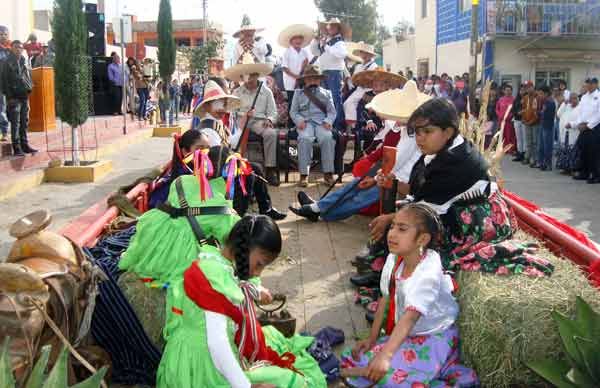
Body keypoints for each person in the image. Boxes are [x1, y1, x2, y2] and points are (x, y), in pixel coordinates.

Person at [362, 98, 554, 276]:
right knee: (397, 227)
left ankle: (397, 281)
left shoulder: (456, 161)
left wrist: (391, 218)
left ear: (448, 131)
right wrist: (392, 186)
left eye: (427, 132)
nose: (420, 138)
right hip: (449, 209)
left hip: (474, 220)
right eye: (418, 132)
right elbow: (422, 192)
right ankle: (385, 275)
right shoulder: (438, 150)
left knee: (410, 233)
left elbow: (427, 209)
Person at [157, 215, 327, 388]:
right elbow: (217, 344)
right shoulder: (215, 279)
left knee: (272, 344)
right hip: (200, 367)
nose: (259, 273)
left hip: (197, 354)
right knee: (293, 382)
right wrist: (246, 386)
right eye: (260, 264)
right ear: (244, 248)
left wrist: (255, 290)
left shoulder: (218, 260)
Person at [340, 204, 478, 387]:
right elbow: (385, 298)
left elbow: (411, 317)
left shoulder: (428, 272)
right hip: (409, 333)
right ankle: (435, 368)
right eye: (393, 226)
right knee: (355, 357)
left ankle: (444, 365)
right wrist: (372, 339)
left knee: (387, 378)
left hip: (434, 335)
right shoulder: (395, 258)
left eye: (402, 229)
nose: (392, 233)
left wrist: (386, 355)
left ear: (422, 239)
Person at [290, 81, 428, 223]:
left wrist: (374, 179)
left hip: (400, 183)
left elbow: (396, 163)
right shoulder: (403, 129)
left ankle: (321, 213)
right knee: (354, 184)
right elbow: (385, 152)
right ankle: (317, 207)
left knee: (360, 197)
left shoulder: (414, 135)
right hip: (387, 174)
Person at [193, 80, 287, 220]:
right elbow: (217, 157)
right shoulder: (208, 129)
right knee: (248, 173)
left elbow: (231, 142)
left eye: (224, 105)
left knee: (255, 168)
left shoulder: (217, 123)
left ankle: (265, 208)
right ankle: (239, 213)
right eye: (218, 105)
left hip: (224, 166)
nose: (223, 109)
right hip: (216, 176)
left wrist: (243, 123)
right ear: (207, 107)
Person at [228, 57, 279, 185]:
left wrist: (269, 119)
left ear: (256, 75)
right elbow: (232, 112)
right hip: (241, 121)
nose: (249, 79)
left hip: (259, 122)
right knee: (234, 135)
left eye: (251, 76)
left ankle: (270, 168)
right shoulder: (236, 92)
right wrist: (243, 117)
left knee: (271, 134)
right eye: (246, 76)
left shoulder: (266, 92)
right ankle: (236, 167)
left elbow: (273, 112)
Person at [289, 64, 337, 187]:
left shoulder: (327, 93)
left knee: (327, 138)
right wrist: (299, 120)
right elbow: (293, 112)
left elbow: (332, 111)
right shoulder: (298, 93)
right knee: (304, 139)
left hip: (322, 123)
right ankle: (304, 175)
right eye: (310, 79)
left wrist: (328, 121)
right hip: (305, 123)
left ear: (320, 80)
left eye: (315, 78)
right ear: (305, 80)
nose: (312, 81)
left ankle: (328, 173)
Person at [0, 40, 37, 156]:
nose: (19, 49)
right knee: (15, 123)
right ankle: (16, 148)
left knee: (24, 122)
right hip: (14, 97)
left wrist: (29, 87)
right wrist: (9, 97)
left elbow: (26, 76)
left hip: (24, 95)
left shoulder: (22, 60)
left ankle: (25, 145)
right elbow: (3, 81)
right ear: (11, 48)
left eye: (21, 48)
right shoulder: (6, 62)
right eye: (16, 47)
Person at [311, 18, 348, 131]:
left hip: (334, 72)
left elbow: (341, 54)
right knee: (326, 98)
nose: (330, 28)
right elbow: (315, 52)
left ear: (338, 28)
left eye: (333, 26)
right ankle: (329, 122)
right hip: (325, 72)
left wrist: (326, 46)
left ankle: (338, 125)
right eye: (329, 26)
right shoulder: (327, 41)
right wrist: (316, 41)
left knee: (335, 98)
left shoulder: (339, 42)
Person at [279, 24, 312, 129]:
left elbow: (308, 66)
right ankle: (291, 125)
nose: (298, 41)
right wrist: (296, 77)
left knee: (302, 103)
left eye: (300, 39)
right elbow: (284, 68)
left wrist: (303, 71)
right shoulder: (287, 52)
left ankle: (301, 123)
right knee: (292, 103)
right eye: (296, 39)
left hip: (302, 81)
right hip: (290, 82)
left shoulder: (305, 52)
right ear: (291, 41)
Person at [343, 42, 379, 128]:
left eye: (367, 53)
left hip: (368, 90)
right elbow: (354, 80)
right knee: (344, 101)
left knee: (349, 103)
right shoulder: (358, 66)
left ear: (371, 55)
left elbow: (373, 81)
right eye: (362, 52)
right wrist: (349, 80)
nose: (364, 55)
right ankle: (349, 126)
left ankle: (352, 126)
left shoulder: (374, 66)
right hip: (358, 88)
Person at [572, 78, 600, 183]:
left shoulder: (599, 96)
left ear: (596, 84)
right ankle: (584, 172)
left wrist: (589, 125)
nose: (589, 86)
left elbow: (599, 115)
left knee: (594, 152)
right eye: (588, 84)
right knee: (583, 150)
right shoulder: (584, 97)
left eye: (592, 84)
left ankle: (596, 174)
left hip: (595, 127)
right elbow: (581, 112)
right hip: (583, 127)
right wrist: (579, 123)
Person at [556, 93, 580, 174]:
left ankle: (573, 169)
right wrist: (564, 104)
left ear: (577, 99)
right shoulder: (567, 106)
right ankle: (565, 168)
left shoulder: (580, 108)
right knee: (564, 150)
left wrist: (572, 124)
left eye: (574, 98)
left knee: (573, 151)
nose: (572, 100)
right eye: (571, 98)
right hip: (565, 132)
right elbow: (558, 114)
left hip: (574, 132)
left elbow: (580, 120)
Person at [537, 85, 556, 171]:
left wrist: (540, 113)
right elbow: (542, 113)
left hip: (548, 126)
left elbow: (548, 115)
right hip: (542, 125)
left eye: (541, 94)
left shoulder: (551, 102)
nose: (539, 96)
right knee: (541, 146)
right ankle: (541, 162)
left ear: (546, 93)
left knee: (547, 146)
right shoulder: (544, 102)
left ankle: (548, 163)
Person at [520, 81, 539, 166]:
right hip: (526, 122)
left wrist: (530, 122)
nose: (527, 89)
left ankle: (534, 159)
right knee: (528, 141)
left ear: (532, 87)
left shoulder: (537, 97)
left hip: (535, 123)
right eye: (526, 87)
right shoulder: (525, 97)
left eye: (529, 87)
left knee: (534, 142)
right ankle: (527, 157)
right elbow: (523, 109)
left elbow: (536, 112)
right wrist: (523, 119)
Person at [496, 84, 516, 153]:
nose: (508, 92)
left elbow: (514, 110)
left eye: (509, 90)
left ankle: (510, 149)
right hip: (501, 121)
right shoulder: (501, 99)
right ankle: (503, 149)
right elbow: (497, 109)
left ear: (511, 91)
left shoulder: (513, 100)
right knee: (502, 136)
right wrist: (499, 115)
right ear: (504, 91)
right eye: (506, 90)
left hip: (509, 122)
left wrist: (509, 116)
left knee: (510, 136)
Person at [0, 26, 11, 142]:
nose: (3, 36)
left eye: (5, 34)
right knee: (1, 108)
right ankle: (4, 132)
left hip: (9, 84)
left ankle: (5, 131)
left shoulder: (11, 49)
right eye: (1, 34)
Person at [511, 84, 526, 161]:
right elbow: (513, 109)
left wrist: (523, 112)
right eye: (521, 90)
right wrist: (517, 113)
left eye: (524, 90)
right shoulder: (516, 99)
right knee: (518, 138)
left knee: (524, 138)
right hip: (517, 120)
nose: (522, 91)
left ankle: (524, 154)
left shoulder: (527, 98)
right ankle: (519, 153)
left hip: (524, 120)